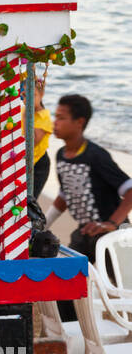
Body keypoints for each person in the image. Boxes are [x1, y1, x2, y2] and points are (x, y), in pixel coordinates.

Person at [48, 93, 132, 261]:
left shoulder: (95, 155)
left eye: (61, 118)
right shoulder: (61, 155)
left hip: (112, 235)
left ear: (79, 122)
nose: (55, 122)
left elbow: (129, 190)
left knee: (115, 282)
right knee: (70, 272)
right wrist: (44, 224)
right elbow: (65, 194)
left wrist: (112, 224)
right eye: (55, 117)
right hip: (85, 230)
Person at [32, 76, 53, 200]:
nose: (27, 98)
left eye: (33, 95)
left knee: (30, 202)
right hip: (24, 161)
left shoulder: (44, 116)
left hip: (38, 164)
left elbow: (33, 141)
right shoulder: (23, 111)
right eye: (23, 95)